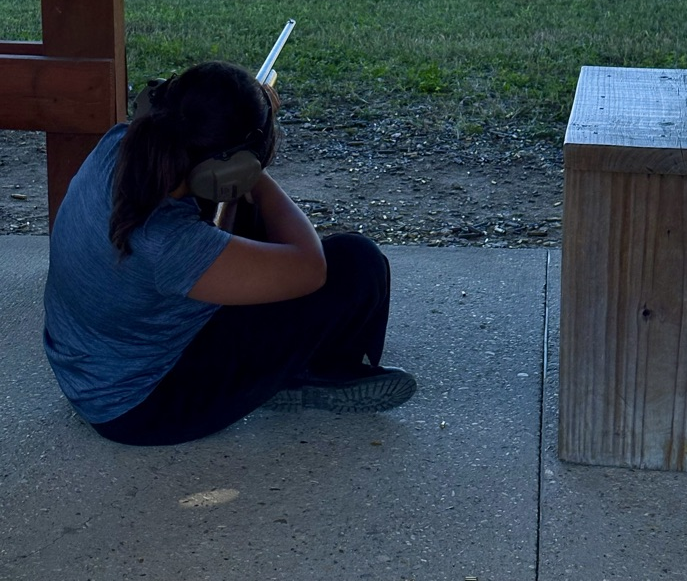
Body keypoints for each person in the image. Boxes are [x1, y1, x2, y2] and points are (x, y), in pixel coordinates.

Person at [43, 61, 417, 446]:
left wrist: (235, 166)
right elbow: (311, 267)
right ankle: (318, 369)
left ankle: (289, 370)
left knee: (252, 223)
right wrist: (252, 174)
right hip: (142, 407)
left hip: (86, 363)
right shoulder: (172, 243)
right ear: (229, 166)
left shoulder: (119, 144)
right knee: (357, 265)